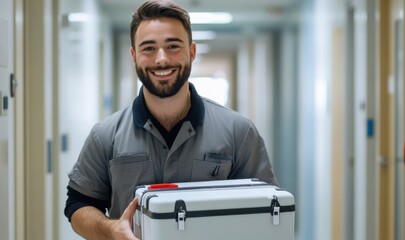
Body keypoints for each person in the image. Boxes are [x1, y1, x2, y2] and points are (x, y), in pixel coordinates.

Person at [64, 0, 278, 239]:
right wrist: (110, 229)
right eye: (148, 48)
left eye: (173, 46)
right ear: (134, 56)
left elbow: (266, 209)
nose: (161, 59)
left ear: (192, 51)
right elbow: (77, 205)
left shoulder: (239, 132)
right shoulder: (104, 136)